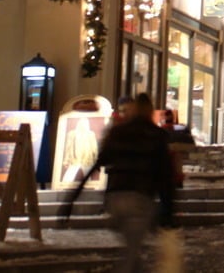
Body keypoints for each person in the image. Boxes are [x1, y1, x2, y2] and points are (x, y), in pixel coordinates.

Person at [62, 93, 175, 273]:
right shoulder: (156, 135)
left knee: (132, 247)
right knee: (131, 251)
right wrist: (168, 208)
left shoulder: (117, 132)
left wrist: (72, 198)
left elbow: (98, 164)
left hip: (115, 197)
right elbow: (165, 174)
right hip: (140, 197)